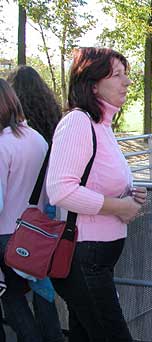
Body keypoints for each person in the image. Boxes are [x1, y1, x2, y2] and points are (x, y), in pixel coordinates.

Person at [46, 47, 147, 342]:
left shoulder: (102, 125)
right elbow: (60, 189)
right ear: (92, 84)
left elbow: (94, 180)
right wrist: (119, 207)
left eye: (125, 75)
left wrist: (129, 195)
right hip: (84, 259)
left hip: (95, 260)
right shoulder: (78, 122)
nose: (127, 82)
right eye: (117, 75)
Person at [7, 65, 65, 342]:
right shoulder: (41, 137)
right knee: (42, 289)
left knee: (12, 294)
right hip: (41, 224)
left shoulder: (5, 143)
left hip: (9, 229)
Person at [0, 79, 48, 341]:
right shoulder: (37, 139)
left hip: (5, 235)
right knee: (34, 298)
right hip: (34, 234)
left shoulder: (2, 145)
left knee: (13, 301)